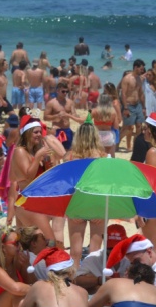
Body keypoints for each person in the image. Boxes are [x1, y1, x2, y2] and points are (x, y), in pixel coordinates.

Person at [10, 117, 64, 242]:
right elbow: (28, 176)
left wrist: (48, 161)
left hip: (35, 201)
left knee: (27, 245)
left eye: (40, 132)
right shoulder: (20, 152)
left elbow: (49, 176)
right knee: (49, 241)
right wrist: (39, 156)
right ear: (27, 133)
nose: (39, 135)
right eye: (36, 132)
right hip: (28, 201)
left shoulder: (33, 152)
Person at [65, 123, 105, 265]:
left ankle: (74, 282)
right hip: (97, 204)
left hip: (77, 204)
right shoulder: (102, 157)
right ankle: (92, 281)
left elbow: (68, 185)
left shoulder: (70, 157)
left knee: (75, 253)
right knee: (94, 253)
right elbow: (103, 185)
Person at [74, 224, 130, 293]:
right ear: (104, 242)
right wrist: (99, 280)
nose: (114, 252)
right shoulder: (93, 259)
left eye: (118, 248)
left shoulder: (130, 258)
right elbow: (76, 280)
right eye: (110, 248)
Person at [119, 60, 146, 151]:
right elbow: (123, 94)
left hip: (137, 105)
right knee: (129, 127)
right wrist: (125, 108)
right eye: (141, 69)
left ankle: (135, 146)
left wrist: (144, 107)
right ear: (135, 67)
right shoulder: (127, 78)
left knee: (139, 126)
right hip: (129, 105)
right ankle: (117, 142)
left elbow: (141, 93)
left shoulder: (139, 79)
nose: (142, 71)